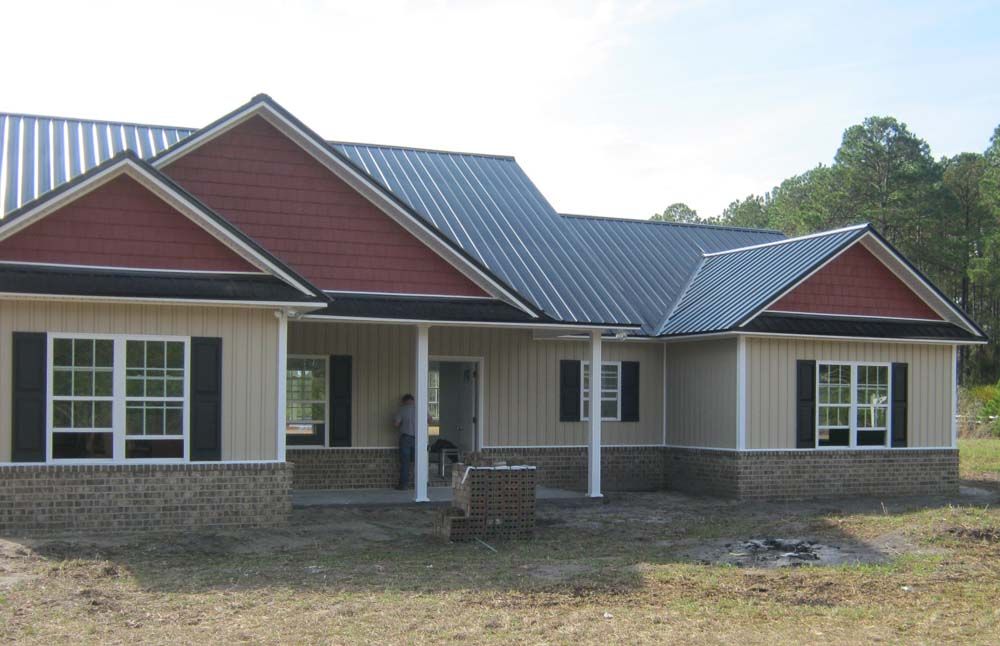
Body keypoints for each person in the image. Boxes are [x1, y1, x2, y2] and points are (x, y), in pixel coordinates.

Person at [393, 394, 417, 490]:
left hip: (406, 438)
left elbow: (396, 424)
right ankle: (420, 484)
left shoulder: (402, 410)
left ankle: (403, 485)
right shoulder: (420, 409)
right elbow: (430, 420)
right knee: (418, 462)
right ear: (413, 400)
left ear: (404, 401)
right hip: (418, 439)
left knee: (405, 463)